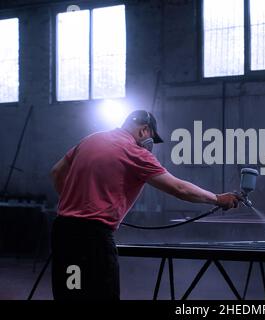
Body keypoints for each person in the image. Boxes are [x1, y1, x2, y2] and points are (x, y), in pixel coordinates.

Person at [49, 109, 241, 300]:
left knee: (70, 293)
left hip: (64, 233)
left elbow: (56, 172)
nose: (150, 144)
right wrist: (217, 198)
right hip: (92, 239)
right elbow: (179, 188)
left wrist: (77, 203)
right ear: (144, 130)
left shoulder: (91, 139)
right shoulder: (136, 153)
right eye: (151, 137)